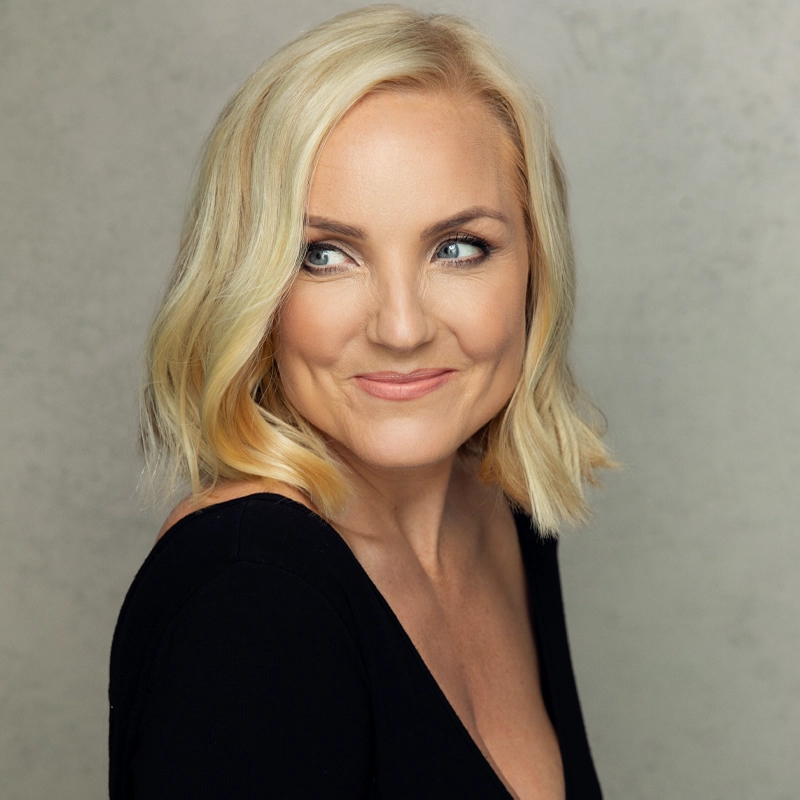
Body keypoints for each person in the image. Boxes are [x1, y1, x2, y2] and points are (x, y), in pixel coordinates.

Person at [109, 5, 615, 798]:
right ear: (252, 290)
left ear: (533, 272)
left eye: (458, 249)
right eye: (325, 255)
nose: (403, 327)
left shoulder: (500, 514)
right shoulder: (248, 596)